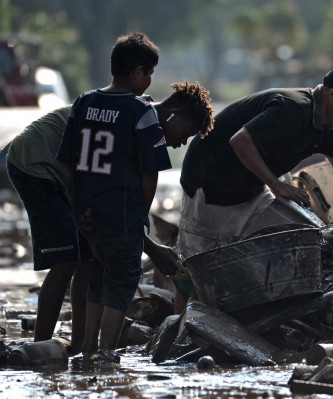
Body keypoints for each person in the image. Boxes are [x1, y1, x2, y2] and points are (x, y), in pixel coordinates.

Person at [3, 78, 212, 356]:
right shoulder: (136, 118)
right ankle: (38, 348)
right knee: (66, 260)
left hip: (73, 175)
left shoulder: (142, 120)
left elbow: (124, 205)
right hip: (39, 162)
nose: (182, 143)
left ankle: (79, 345)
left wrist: (149, 245)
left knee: (88, 258)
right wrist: (152, 248)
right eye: (187, 133)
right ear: (174, 115)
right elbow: (118, 205)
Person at [56, 32, 212, 363]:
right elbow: (150, 173)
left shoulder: (84, 102)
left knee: (97, 276)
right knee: (123, 281)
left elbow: (65, 162)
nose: (151, 81)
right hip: (122, 212)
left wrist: (79, 201)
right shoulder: (140, 112)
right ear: (138, 72)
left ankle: (87, 348)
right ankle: (108, 351)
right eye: (150, 73)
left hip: (86, 212)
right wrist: (140, 213)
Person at [178, 64, 333, 257]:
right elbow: (240, 141)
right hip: (210, 180)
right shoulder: (292, 108)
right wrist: (276, 185)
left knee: (292, 241)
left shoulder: (329, 129)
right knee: (201, 261)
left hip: (251, 186)